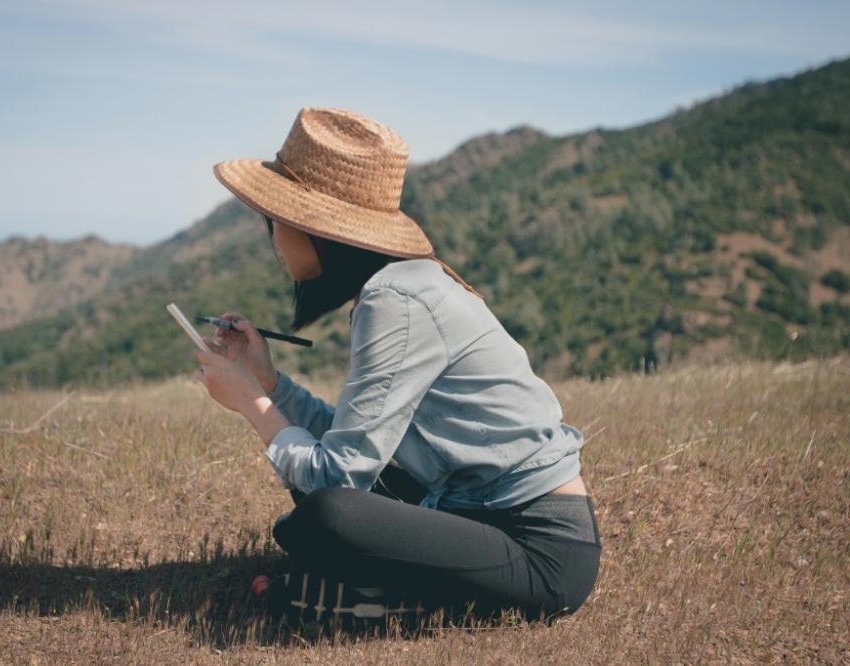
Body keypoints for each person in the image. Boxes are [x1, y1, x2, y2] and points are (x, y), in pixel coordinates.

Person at [191, 107, 600, 629]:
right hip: (473, 511)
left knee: (325, 515)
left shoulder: (396, 299)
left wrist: (251, 401)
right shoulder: (398, 288)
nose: (270, 234)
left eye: (276, 218)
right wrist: (268, 382)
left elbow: (335, 478)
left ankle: (369, 599)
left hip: (541, 552)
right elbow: (350, 447)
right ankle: (366, 588)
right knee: (315, 517)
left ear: (315, 227)